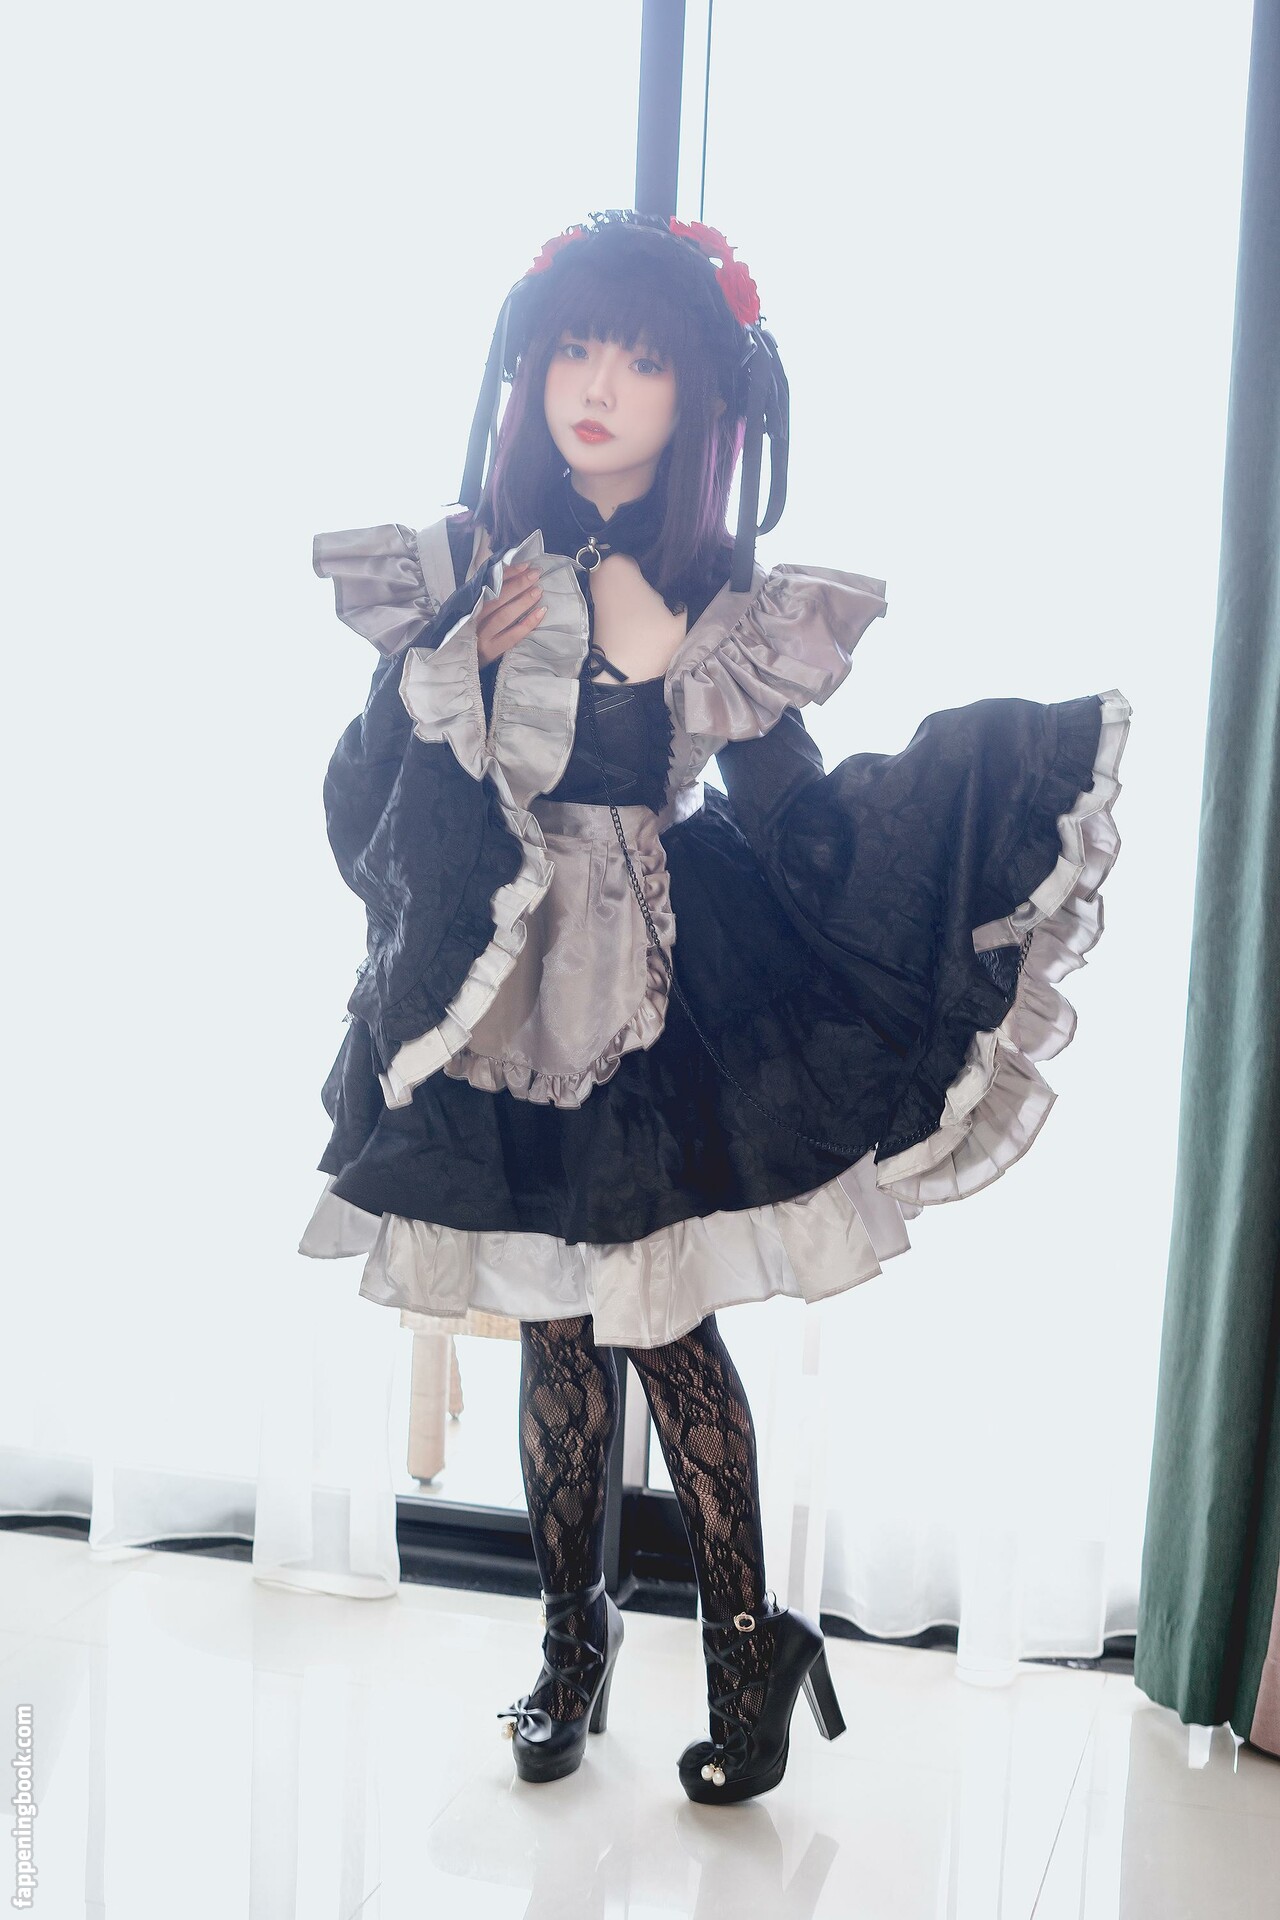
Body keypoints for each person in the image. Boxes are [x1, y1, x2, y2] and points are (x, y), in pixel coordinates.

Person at [300, 209, 1132, 1803]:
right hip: (495, 987)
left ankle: (749, 1645)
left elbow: (797, 815)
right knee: (552, 1320)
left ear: (702, 397)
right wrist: (450, 668)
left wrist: (963, 809)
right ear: (530, 366)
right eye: (574, 349)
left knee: (665, 1329)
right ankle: (572, 1643)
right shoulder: (462, 563)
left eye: (641, 359)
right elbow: (363, 811)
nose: (597, 386)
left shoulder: (723, 598)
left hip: (658, 991)